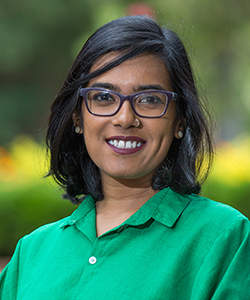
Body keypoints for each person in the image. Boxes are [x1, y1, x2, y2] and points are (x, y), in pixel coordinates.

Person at [0, 15, 249, 299]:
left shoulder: (223, 237)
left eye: (150, 99)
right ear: (77, 118)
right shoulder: (32, 252)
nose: (125, 118)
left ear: (180, 121)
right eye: (104, 97)